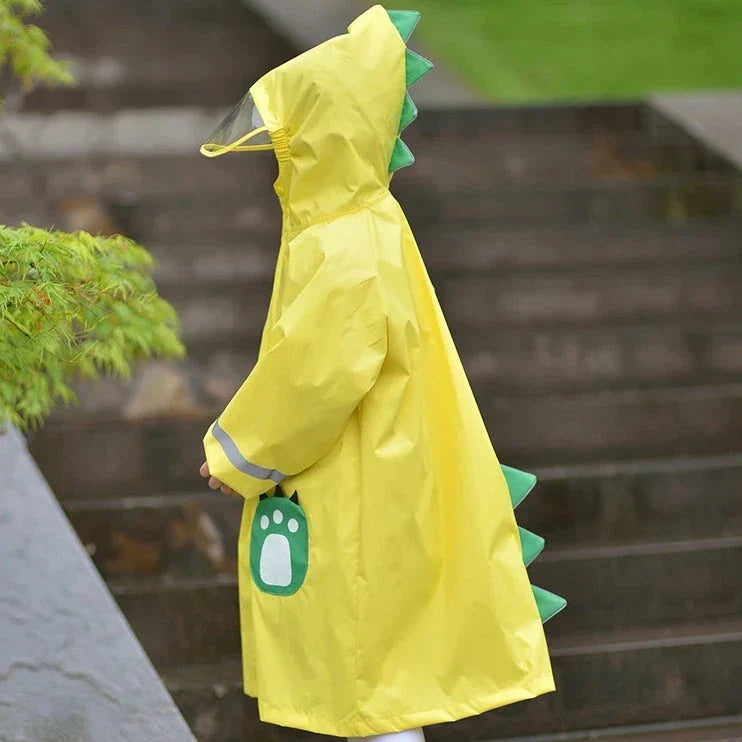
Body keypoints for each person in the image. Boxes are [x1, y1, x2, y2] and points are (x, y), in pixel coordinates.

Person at [199, 6, 564, 740]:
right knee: (378, 678)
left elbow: (318, 371)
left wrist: (235, 450)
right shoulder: (366, 221)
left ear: (319, 141)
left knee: (367, 682)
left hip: (359, 483)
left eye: (287, 144)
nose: (278, 159)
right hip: (383, 474)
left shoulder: (341, 242)